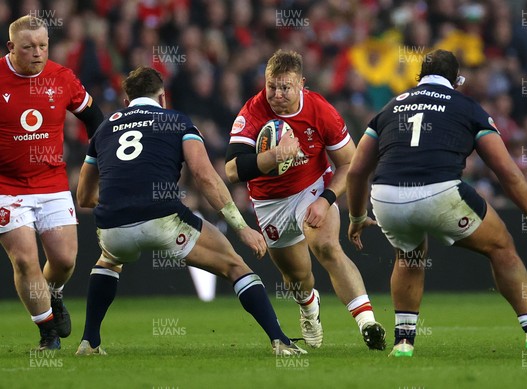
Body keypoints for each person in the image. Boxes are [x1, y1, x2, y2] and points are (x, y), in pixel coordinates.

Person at [346, 49, 527, 357]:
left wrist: (357, 216)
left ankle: (403, 343)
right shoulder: (465, 106)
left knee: (409, 257)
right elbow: (506, 170)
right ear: (457, 80)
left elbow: (357, 170)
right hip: (438, 192)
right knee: (502, 245)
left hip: (386, 196)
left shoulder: (390, 107)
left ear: (419, 78)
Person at [75, 66, 305, 356]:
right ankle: (279, 341)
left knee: (108, 261)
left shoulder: (104, 128)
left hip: (112, 225)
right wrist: (241, 228)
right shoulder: (177, 121)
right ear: (162, 99)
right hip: (162, 219)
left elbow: (83, 196)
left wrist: (118, 201)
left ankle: (89, 342)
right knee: (235, 266)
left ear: (126, 102)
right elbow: (204, 176)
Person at [225, 49, 385, 350]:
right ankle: (309, 308)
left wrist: (325, 199)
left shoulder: (320, 110)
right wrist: (273, 156)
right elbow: (232, 170)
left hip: (312, 188)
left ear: (302, 84)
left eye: (285, 87)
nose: (277, 93)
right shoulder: (252, 111)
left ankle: (368, 324)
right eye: (271, 85)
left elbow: (350, 164)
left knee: (326, 245)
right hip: (269, 202)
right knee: (298, 279)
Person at [0, 15, 104, 350]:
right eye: (29, 47)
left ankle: (51, 294)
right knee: (24, 260)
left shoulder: (61, 77)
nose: (38, 53)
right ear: (11, 47)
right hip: (7, 186)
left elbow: (94, 118)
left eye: (43, 46)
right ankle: (47, 333)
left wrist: (94, 161)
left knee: (64, 261)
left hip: (52, 181)